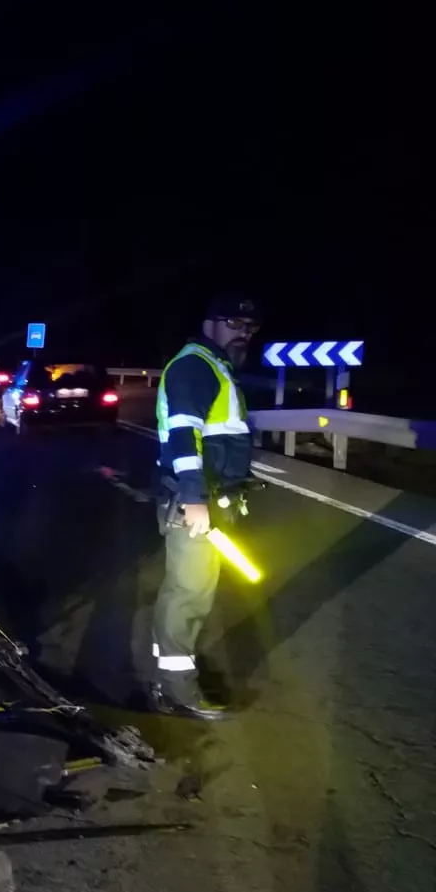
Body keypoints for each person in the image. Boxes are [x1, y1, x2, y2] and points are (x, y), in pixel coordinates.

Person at [150, 295, 260, 719]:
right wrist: (195, 497)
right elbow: (182, 433)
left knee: (188, 590)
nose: (243, 333)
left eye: (250, 327)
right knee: (189, 593)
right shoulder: (196, 365)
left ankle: (167, 678)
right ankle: (177, 690)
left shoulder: (216, 367)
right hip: (194, 500)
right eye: (235, 323)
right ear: (210, 323)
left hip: (210, 497)